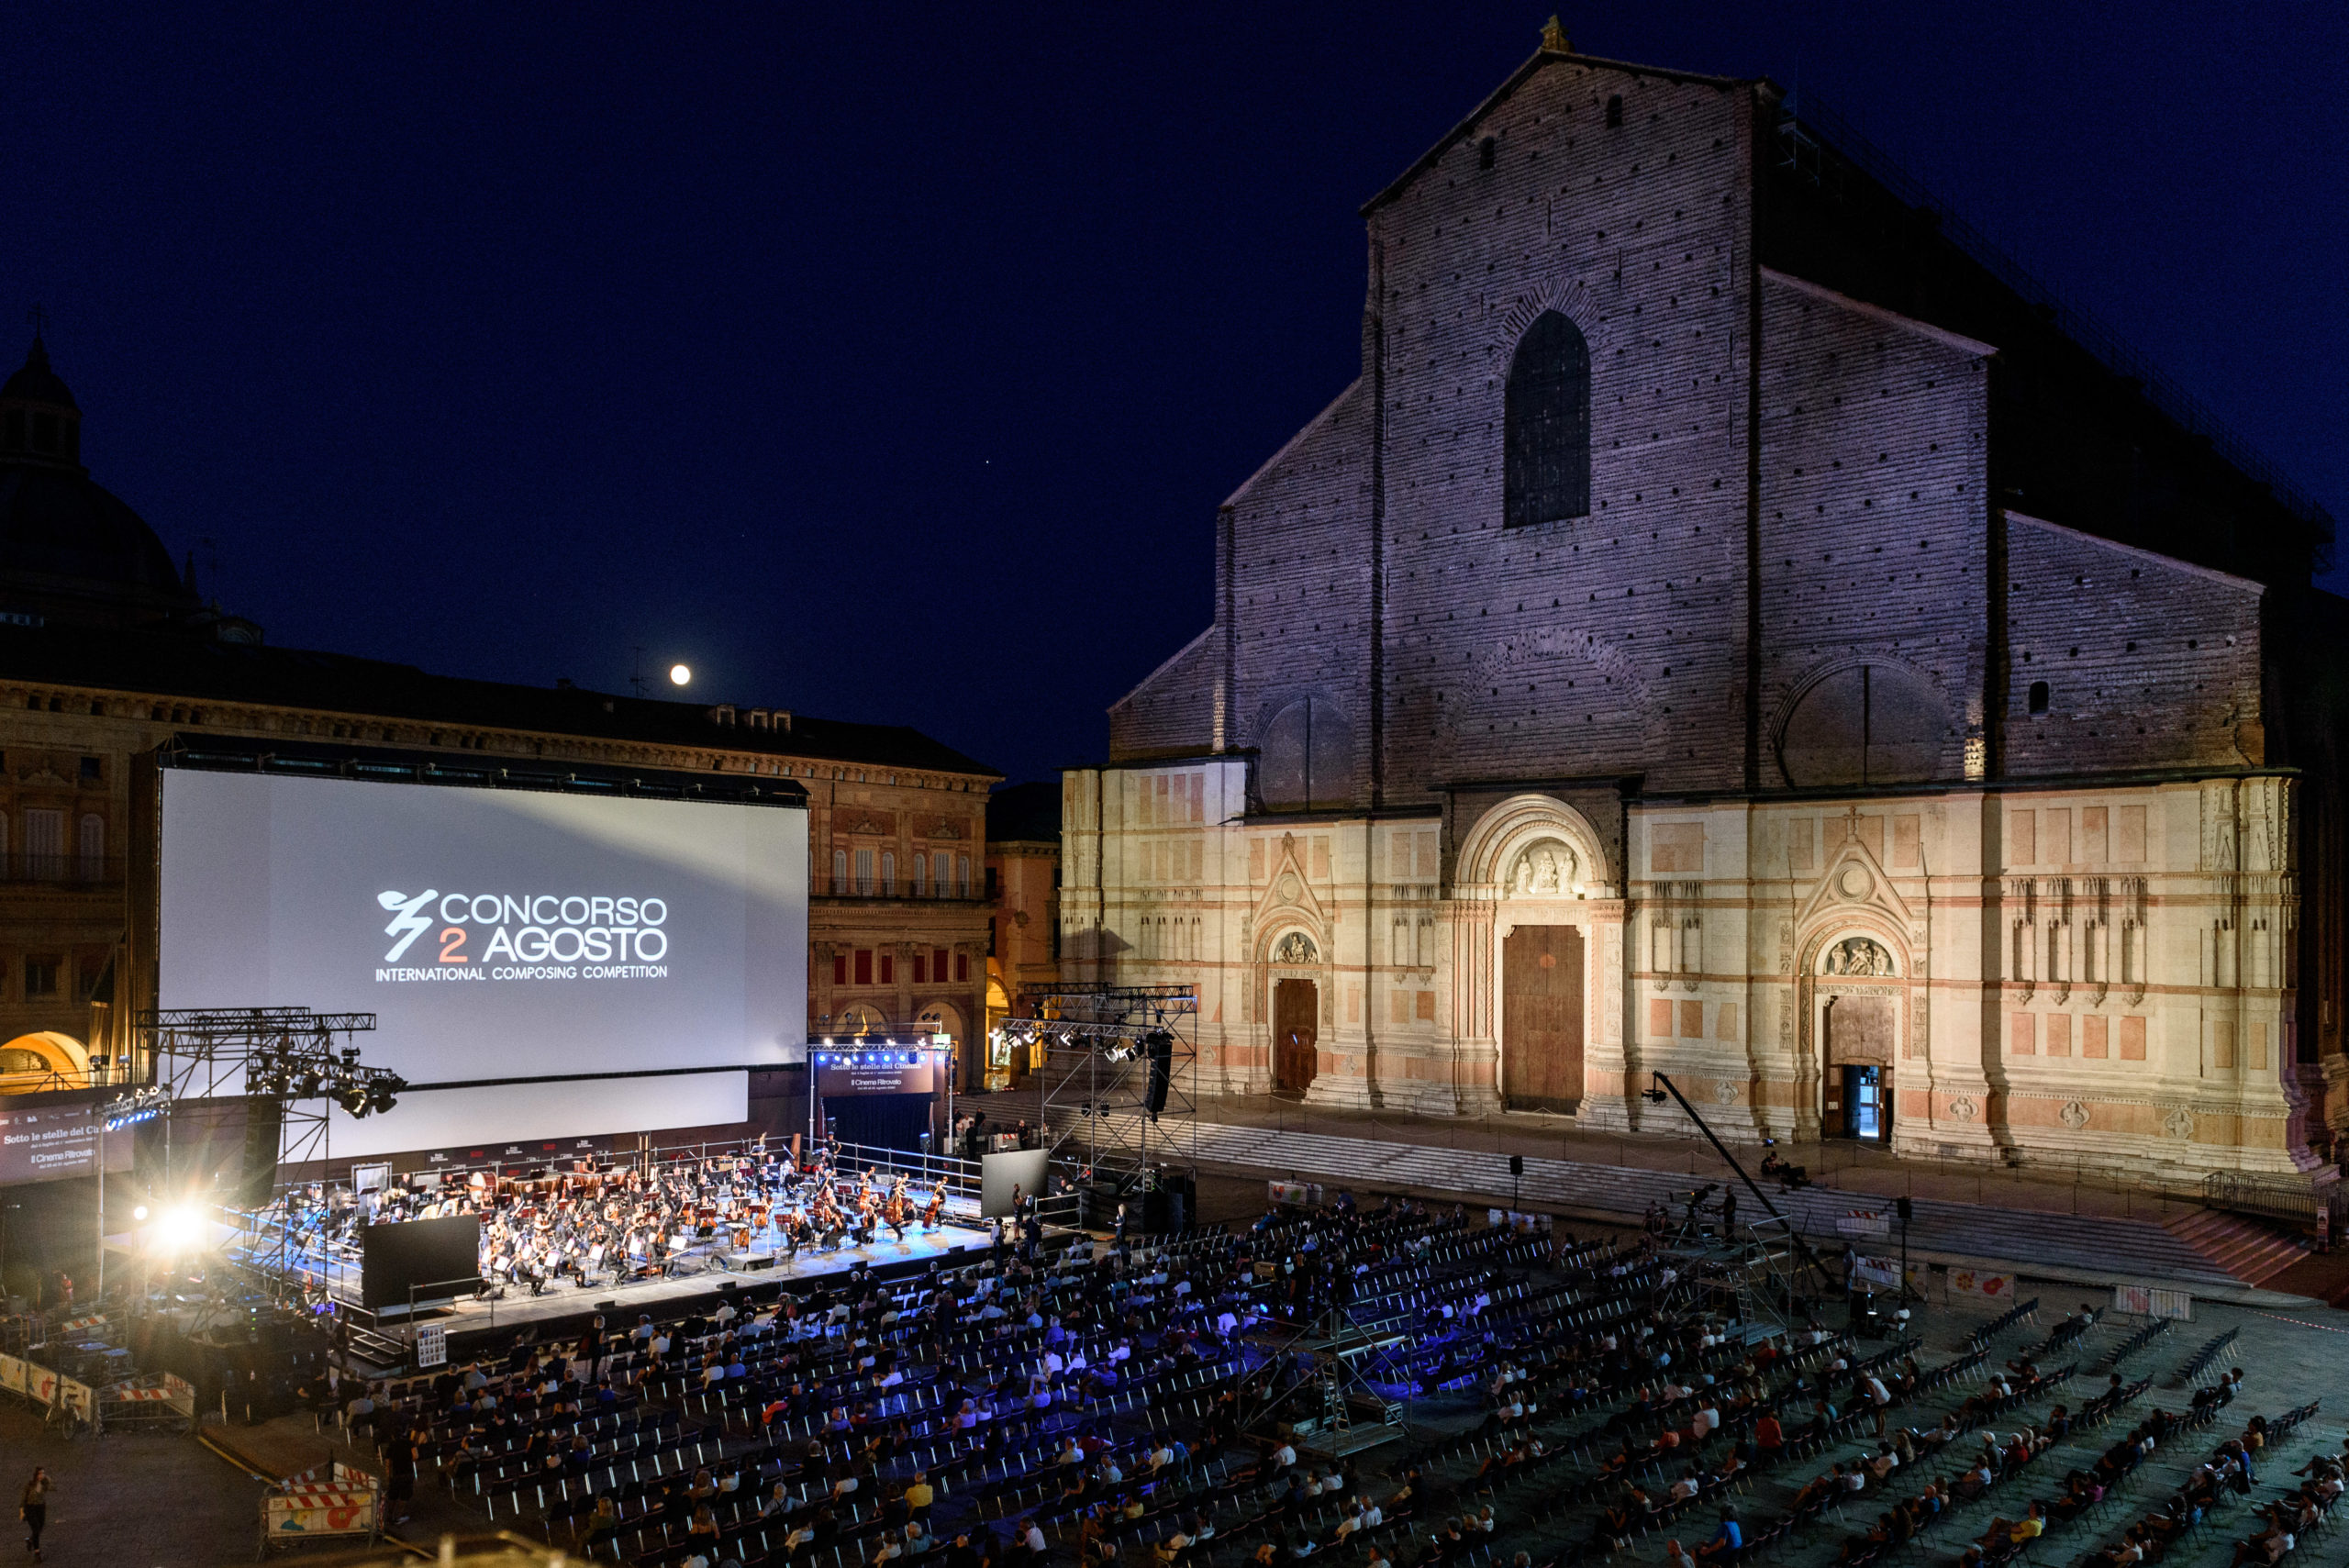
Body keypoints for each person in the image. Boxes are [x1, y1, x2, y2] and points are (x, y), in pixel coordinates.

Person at [19, 1468, 51, 1562]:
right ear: (36, 1475)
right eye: (40, 1473)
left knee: (41, 1526)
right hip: (30, 1508)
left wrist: (47, 1479)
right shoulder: (29, 1485)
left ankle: (30, 1540)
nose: (41, 1475)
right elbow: (23, 1498)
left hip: (41, 1507)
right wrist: (22, 1511)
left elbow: (51, 1487)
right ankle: (37, 1553)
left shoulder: (44, 1484)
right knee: (36, 1529)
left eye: (43, 1473)